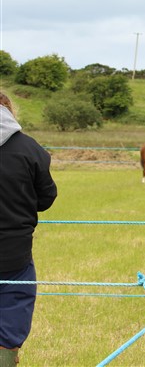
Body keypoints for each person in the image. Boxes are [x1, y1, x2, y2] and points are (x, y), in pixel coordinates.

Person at [0, 92, 57, 366]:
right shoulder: (29, 148)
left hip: (14, 254)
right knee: (9, 331)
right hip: (14, 257)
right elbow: (46, 198)